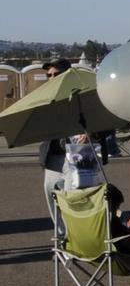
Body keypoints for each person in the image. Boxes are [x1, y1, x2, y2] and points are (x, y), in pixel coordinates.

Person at [37, 60, 74, 245]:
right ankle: (61, 239)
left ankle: (76, 239)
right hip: (53, 157)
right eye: (48, 75)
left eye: (55, 74)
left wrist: (91, 133)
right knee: (52, 199)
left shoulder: (80, 94)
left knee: (73, 201)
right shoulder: (45, 97)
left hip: (75, 157)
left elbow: (106, 125)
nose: (51, 78)